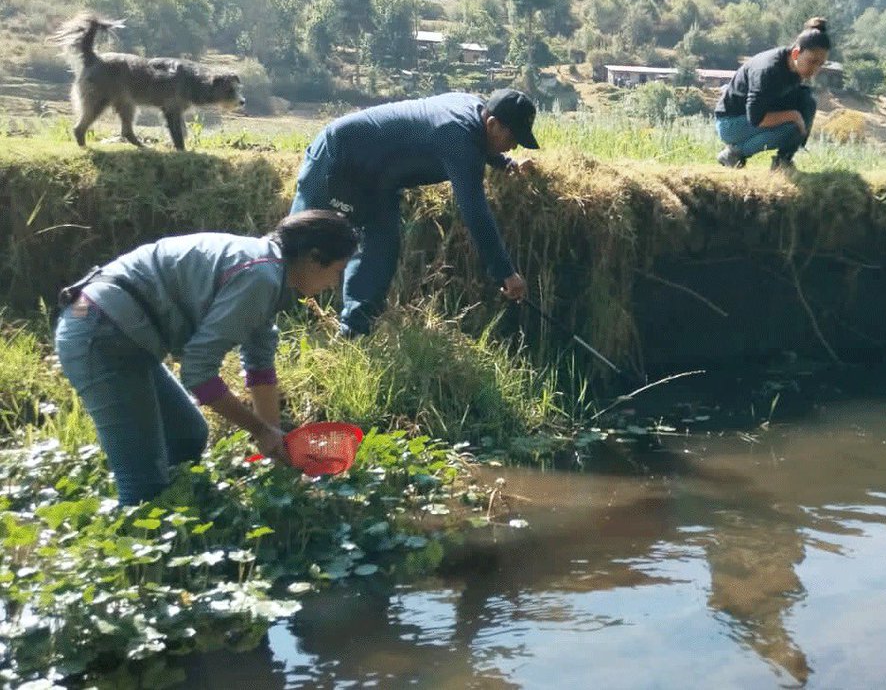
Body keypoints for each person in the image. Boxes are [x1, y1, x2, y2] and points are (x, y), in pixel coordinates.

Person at [54, 210, 360, 506]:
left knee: (188, 436)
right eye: (336, 271)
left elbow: (259, 364)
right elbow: (198, 372)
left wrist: (276, 443)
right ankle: (142, 546)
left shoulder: (270, 273)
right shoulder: (260, 276)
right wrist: (260, 430)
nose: (334, 283)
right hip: (102, 336)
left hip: (121, 334)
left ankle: (179, 523)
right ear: (313, 258)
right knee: (142, 485)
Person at [290, 89, 539, 337]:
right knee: (298, 245)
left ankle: (354, 333)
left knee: (381, 248)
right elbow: (475, 211)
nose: (515, 146)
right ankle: (279, 320)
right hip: (337, 159)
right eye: (513, 138)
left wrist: (504, 163)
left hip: (378, 181)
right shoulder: (457, 135)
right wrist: (505, 272)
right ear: (493, 124)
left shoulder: (471, 113)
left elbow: (476, 145)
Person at [713, 16, 832, 172]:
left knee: (807, 102)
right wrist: (794, 116)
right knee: (791, 126)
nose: (815, 70)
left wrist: (800, 120)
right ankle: (734, 154)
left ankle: (783, 161)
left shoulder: (795, 68)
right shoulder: (767, 71)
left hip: (754, 116)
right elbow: (756, 118)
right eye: (812, 62)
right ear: (796, 53)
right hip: (731, 123)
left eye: (820, 64)